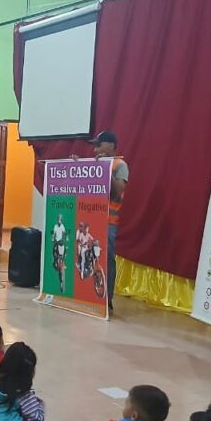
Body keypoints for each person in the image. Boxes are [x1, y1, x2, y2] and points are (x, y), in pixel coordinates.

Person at [88, 131, 128, 310]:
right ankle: (88, 293)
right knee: (88, 256)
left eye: (99, 145)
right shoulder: (94, 163)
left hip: (109, 222)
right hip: (91, 219)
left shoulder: (120, 165)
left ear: (111, 145)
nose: (96, 149)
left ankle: (107, 298)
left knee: (107, 259)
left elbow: (118, 191)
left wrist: (105, 169)